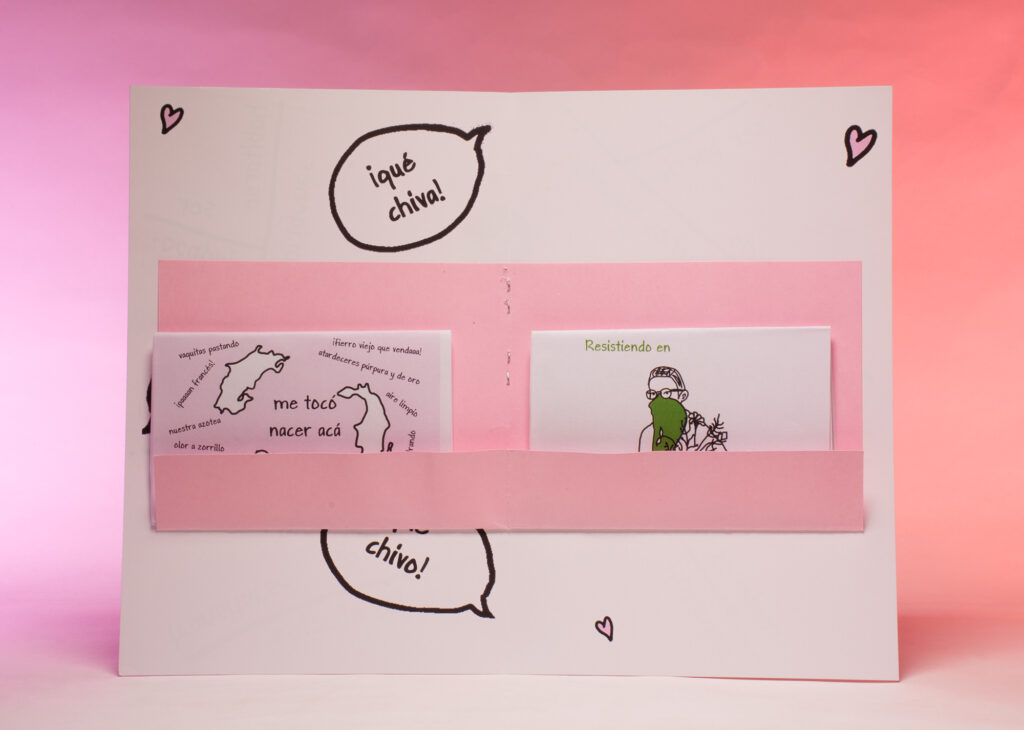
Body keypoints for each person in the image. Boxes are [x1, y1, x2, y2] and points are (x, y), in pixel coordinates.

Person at [637, 366, 689, 452]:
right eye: (653, 393)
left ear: (682, 396)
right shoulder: (648, 433)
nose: (658, 400)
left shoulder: (699, 431)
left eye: (666, 392)